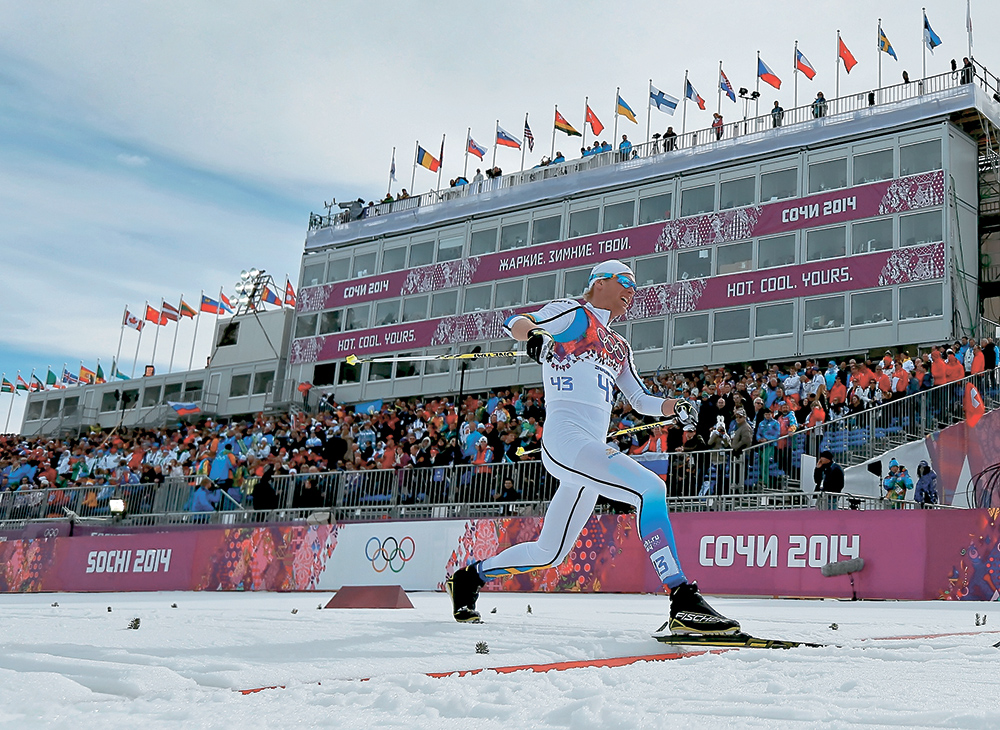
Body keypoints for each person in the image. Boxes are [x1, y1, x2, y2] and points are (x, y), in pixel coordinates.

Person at [446, 259, 740, 636]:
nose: (632, 292)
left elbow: (638, 398)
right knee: (650, 488)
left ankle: (470, 577)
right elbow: (514, 322)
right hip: (565, 441)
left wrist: (672, 407)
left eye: (635, 287)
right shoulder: (573, 314)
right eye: (625, 283)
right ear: (600, 282)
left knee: (548, 553)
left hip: (586, 454)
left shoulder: (619, 345)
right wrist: (535, 335)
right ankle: (681, 597)